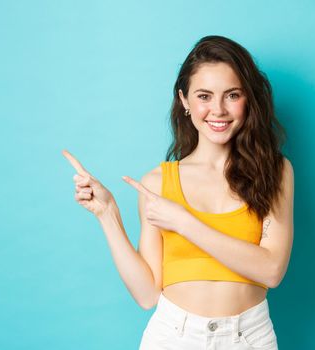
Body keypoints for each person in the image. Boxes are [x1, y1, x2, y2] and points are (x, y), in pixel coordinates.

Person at [62, 35, 294, 350]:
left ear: (248, 99)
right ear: (185, 101)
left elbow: (271, 270)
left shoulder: (275, 172)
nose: (218, 110)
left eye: (232, 95)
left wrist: (185, 222)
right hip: (174, 337)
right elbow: (147, 295)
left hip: (249, 337)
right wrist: (107, 214)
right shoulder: (158, 183)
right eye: (204, 96)